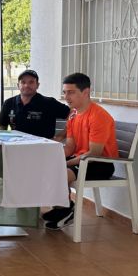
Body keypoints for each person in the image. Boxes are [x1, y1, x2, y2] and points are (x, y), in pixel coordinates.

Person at [43, 73, 119, 230]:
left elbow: (94, 153)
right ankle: (62, 208)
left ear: (86, 92)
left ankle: (65, 209)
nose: (66, 97)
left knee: (60, 171)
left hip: (99, 163)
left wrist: (66, 162)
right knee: (47, 166)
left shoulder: (99, 116)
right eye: (64, 92)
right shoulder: (73, 114)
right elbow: (70, 146)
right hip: (81, 159)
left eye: (71, 92)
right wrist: (52, 157)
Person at [0, 69, 70, 139]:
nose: (26, 85)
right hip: (15, 145)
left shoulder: (49, 103)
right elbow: (2, 126)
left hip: (43, 147)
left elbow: (73, 115)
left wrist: (60, 136)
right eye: (23, 82)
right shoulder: (8, 103)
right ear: (18, 85)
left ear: (37, 85)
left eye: (31, 82)